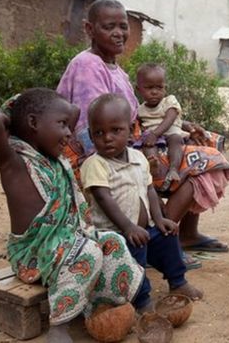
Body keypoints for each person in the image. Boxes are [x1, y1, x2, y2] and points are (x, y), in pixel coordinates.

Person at [56, 0, 229, 256]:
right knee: (206, 162)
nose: (119, 33)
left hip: (128, 140)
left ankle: (187, 234)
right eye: (109, 27)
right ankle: (158, 241)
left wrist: (182, 125)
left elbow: (139, 115)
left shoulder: (115, 68)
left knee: (205, 142)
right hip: (106, 154)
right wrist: (134, 159)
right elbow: (92, 131)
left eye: (123, 26)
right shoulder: (87, 65)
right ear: (90, 29)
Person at [0, 88, 144, 342]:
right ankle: (60, 324)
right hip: (32, 253)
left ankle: (101, 307)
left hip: (67, 242)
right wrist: (22, 110)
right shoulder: (13, 161)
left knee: (113, 241)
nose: (69, 133)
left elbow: (73, 112)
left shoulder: (56, 161)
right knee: (87, 252)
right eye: (62, 125)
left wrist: (53, 119)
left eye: (69, 126)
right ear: (33, 122)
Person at [80, 93, 203, 312]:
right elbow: (103, 197)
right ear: (90, 135)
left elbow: (149, 191)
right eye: (99, 133)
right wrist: (128, 227)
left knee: (168, 236)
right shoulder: (95, 164)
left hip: (144, 228)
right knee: (134, 260)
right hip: (115, 236)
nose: (107, 138)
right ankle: (142, 300)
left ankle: (178, 282)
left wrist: (159, 218)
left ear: (131, 131)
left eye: (115, 130)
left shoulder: (138, 159)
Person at [134, 63, 189, 190]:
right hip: (152, 135)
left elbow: (171, 117)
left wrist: (155, 134)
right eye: (149, 88)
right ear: (138, 89)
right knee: (148, 145)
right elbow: (139, 125)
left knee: (176, 139)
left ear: (165, 88)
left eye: (159, 88)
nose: (154, 92)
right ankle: (154, 165)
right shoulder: (139, 110)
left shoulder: (169, 101)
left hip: (170, 131)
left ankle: (173, 169)